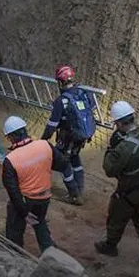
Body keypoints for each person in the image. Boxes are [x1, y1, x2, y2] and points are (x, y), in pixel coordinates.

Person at [94, 101, 139, 270]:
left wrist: (111, 148)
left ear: (118, 123)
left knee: (115, 218)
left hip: (128, 191)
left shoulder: (124, 147)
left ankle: (110, 246)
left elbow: (109, 169)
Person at [1, 115, 80, 252]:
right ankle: (49, 252)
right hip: (44, 197)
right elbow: (62, 164)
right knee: (39, 222)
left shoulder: (10, 160)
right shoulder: (44, 145)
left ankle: (15, 253)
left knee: (15, 228)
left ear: (11, 137)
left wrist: (24, 213)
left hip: (25, 200)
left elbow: (13, 192)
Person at [40, 65, 96, 204]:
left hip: (68, 136)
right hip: (83, 135)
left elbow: (52, 124)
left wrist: (43, 139)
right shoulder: (85, 93)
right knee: (75, 158)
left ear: (60, 82)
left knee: (63, 163)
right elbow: (92, 109)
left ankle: (74, 194)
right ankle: (80, 189)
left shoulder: (61, 101)